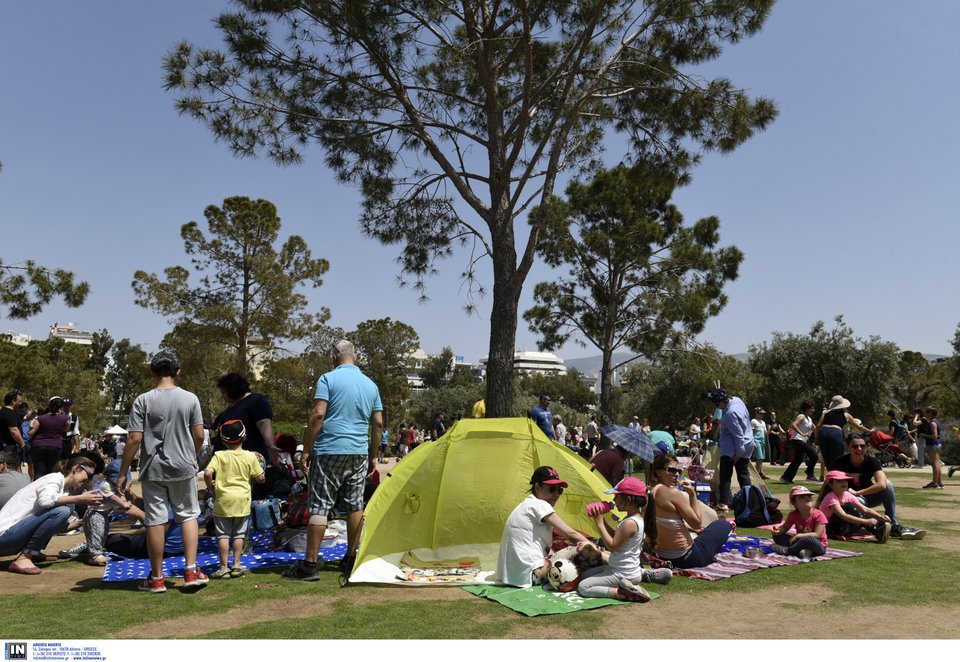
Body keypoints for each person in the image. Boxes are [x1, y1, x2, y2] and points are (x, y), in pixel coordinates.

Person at [283, 339, 383, 581]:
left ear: (334, 355)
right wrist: (373, 454)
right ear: (355, 357)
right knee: (355, 505)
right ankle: (351, 559)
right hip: (358, 452)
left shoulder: (328, 379)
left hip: (329, 449)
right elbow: (378, 423)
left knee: (319, 506)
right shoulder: (370, 384)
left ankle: (310, 564)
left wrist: (306, 450)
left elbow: (318, 414)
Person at [118, 349, 207, 593]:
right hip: (183, 466)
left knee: (155, 519)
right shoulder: (190, 398)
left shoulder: (142, 400)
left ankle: (156, 578)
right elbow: (199, 435)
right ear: (178, 372)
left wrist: (124, 472)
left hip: (153, 467)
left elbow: (134, 438)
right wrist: (191, 456)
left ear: (152, 372)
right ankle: (191, 571)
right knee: (188, 515)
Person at [0, 454, 102, 575]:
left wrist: (83, 521)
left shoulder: (65, 492)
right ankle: (24, 557)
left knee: (67, 507)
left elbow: (55, 528)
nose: (89, 480)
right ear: (76, 468)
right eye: (89, 475)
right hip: (4, 537)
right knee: (63, 510)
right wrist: (80, 498)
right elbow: (46, 501)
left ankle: (33, 552)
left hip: (12, 539)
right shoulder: (53, 479)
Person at [578, 477, 671, 603]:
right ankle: (641, 575)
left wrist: (600, 524)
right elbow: (616, 536)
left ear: (627, 499)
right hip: (619, 569)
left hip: (622, 573)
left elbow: (612, 546)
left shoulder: (630, 523)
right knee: (584, 575)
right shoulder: (633, 519)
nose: (614, 500)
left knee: (583, 587)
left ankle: (622, 592)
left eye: (616, 496)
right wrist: (602, 521)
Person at [496, 466, 590, 587]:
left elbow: (546, 547)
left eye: (559, 490)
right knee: (580, 549)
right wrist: (595, 548)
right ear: (537, 487)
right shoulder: (539, 504)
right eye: (552, 489)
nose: (556, 494)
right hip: (532, 574)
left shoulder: (526, 505)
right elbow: (570, 534)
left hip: (514, 576)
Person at [829, 433, 925, 540]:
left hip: (867, 496)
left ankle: (892, 524)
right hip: (849, 500)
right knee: (856, 501)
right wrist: (819, 504)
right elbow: (828, 483)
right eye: (855, 446)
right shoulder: (839, 463)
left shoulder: (872, 461)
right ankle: (875, 526)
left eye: (862, 446)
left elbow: (882, 484)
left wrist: (858, 493)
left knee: (888, 484)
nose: (859, 449)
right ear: (848, 448)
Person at [203, 420, 265, 579]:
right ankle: (236, 565)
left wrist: (211, 488)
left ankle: (223, 567)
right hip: (242, 501)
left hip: (223, 500)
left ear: (223, 441)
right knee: (239, 534)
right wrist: (261, 472)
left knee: (223, 535)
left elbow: (207, 473)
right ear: (245, 437)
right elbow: (260, 478)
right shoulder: (250, 456)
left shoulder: (219, 456)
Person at [645, 454, 731, 569]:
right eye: (671, 470)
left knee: (698, 531)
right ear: (658, 472)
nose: (676, 474)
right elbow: (697, 523)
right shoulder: (673, 493)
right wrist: (692, 494)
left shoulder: (649, 493)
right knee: (723, 524)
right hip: (687, 558)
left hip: (661, 555)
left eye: (679, 471)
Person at [212, 373, 278, 467]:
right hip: (228, 464)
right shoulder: (233, 406)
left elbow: (264, 423)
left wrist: (270, 446)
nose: (222, 396)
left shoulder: (256, 401)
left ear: (233, 390)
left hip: (247, 463)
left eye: (224, 393)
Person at [707, 388, 754, 512]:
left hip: (733, 449)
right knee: (743, 474)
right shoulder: (737, 400)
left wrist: (738, 454)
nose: (716, 406)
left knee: (725, 476)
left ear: (721, 402)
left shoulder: (729, 414)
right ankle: (749, 501)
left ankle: (724, 503)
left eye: (716, 403)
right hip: (748, 442)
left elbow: (738, 435)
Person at [815, 470, 890, 542]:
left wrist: (880, 517)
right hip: (830, 528)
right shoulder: (830, 497)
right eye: (839, 481)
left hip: (843, 525)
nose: (844, 482)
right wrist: (866, 521)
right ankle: (877, 530)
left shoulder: (847, 495)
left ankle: (879, 527)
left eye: (845, 480)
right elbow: (843, 515)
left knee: (860, 512)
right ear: (831, 485)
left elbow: (865, 509)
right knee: (849, 507)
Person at [815, 395, 872, 471]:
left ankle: (831, 474)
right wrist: (870, 431)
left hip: (823, 432)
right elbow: (859, 427)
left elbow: (818, 426)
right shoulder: (846, 415)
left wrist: (816, 438)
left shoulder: (825, 412)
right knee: (837, 457)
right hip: (835, 432)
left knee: (826, 457)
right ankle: (836, 474)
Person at [770, 485, 828, 559]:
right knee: (777, 537)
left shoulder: (819, 515)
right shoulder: (793, 515)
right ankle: (803, 552)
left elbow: (817, 535)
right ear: (794, 503)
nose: (807, 498)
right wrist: (779, 531)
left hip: (818, 545)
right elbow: (785, 527)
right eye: (802, 496)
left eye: (809, 496)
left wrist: (798, 536)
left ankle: (788, 551)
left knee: (808, 539)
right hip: (800, 542)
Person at [28, 398, 70, 478]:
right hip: (55, 446)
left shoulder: (40, 418)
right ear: (60, 407)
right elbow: (66, 429)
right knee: (51, 471)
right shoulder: (65, 418)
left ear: (49, 406)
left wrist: (30, 428)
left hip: (39, 445)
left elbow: (31, 433)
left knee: (39, 472)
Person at [780, 400, 819, 484]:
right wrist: (801, 433)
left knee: (798, 459)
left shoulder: (809, 419)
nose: (813, 410)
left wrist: (814, 435)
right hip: (797, 440)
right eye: (812, 408)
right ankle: (810, 474)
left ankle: (786, 477)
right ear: (807, 408)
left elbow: (815, 429)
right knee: (814, 455)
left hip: (802, 440)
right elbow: (793, 425)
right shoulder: (802, 417)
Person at [917, 407, 943, 489]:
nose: (924, 414)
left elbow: (935, 436)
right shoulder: (936, 422)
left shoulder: (932, 423)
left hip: (933, 444)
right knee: (937, 463)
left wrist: (924, 435)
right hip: (936, 444)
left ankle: (935, 483)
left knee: (934, 464)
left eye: (926, 413)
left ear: (930, 414)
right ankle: (939, 482)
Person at [0, 391, 27, 465]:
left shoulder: (2, 411)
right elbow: (13, 430)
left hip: (3, 445)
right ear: (13, 401)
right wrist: (22, 444)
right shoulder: (9, 413)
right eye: (19, 401)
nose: (20, 403)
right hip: (8, 447)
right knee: (9, 469)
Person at [751, 407, 769, 480]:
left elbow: (765, 432)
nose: (762, 415)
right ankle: (757, 473)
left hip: (762, 441)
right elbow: (751, 432)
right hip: (756, 440)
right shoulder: (753, 421)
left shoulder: (763, 422)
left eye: (763, 414)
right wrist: (753, 441)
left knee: (761, 458)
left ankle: (761, 472)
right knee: (759, 457)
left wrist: (770, 430)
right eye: (760, 413)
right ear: (756, 413)